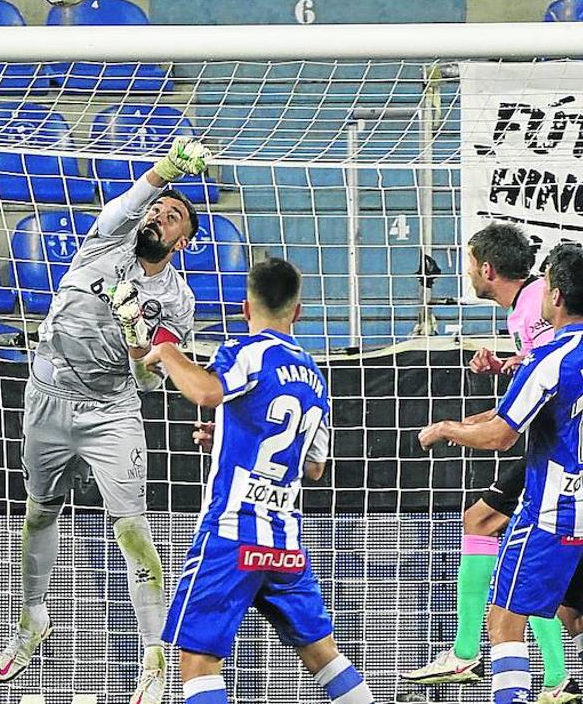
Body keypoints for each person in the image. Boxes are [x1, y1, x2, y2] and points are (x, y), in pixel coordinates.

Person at [0, 137, 210, 704]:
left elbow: (150, 380)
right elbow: (138, 194)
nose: (158, 216)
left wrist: (135, 332)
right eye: (157, 210)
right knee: (40, 511)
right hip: (47, 396)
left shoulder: (178, 302)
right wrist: (169, 168)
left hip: (110, 411)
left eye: (172, 217)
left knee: (131, 527)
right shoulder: (107, 239)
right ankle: (32, 619)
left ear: (183, 241)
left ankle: (154, 656)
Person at [146, 257, 374, 704]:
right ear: (298, 311)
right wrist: (228, 439)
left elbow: (206, 391)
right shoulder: (314, 376)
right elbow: (314, 467)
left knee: (198, 660)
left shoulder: (247, 351)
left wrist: (168, 351)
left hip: (232, 533)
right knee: (323, 654)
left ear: (245, 308)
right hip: (284, 541)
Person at [402, 223, 578, 703]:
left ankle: (474, 655)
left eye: (468, 263)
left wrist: (452, 428)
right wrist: (507, 366)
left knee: (498, 558)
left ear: (486, 269)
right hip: (561, 455)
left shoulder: (538, 308)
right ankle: (555, 676)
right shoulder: (528, 314)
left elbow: (528, 404)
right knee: (562, 601)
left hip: (558, 467)